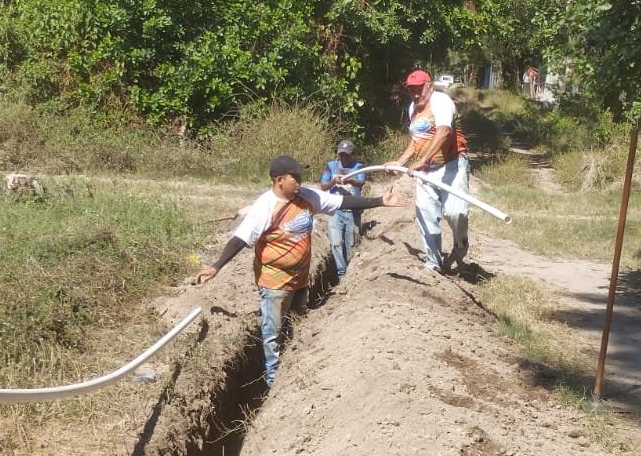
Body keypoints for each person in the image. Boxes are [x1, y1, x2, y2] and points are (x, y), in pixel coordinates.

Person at [194, 154, 406, 386]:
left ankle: (294, 367)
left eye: (299, 176)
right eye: (294, 177)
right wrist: (216, 267)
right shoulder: (265, 207)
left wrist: (380, 201)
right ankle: (273, 380)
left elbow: (342, 203)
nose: (299, 181)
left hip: (301, 278)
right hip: (274, 282)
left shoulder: (307, 197)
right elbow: (240, 239)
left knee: (296, 322)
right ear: (279, 180)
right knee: (272, 332)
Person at [386, 68, 470, 275]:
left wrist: (423, 160)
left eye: (419, 89)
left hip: (451, 165)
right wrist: (400, 161)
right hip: (426, 172)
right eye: (411, 90)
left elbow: (443, 132)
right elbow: (417, 141)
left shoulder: (440, 101)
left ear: (429, 86)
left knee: (456, 212)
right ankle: (434, 263)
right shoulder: (413, 108)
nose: (415, 94)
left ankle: (460, 246)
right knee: (426, 215)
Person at [320, 139, 366, 281]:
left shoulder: (359, 167)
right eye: (341, 155)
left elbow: (361, 182)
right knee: (336, 243)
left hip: (353, 212)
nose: (344, 158)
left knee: (351, 244)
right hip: (336, 211)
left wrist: (350, 180)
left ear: (353, 155)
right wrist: (334, 181)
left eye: (347, 155)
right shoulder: (331, 166)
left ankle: (351, 275)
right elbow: (323, 186)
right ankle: (341, 274)